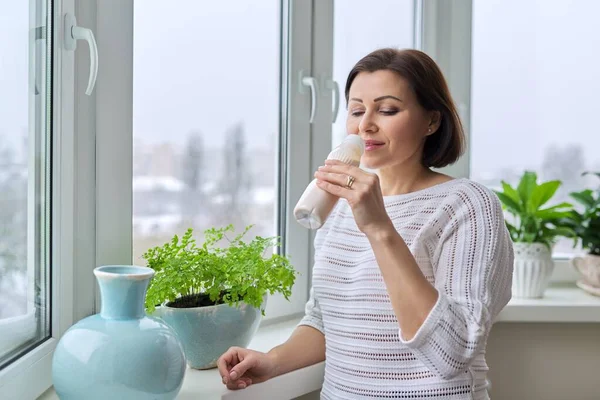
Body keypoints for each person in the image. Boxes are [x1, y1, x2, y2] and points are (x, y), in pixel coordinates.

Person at [217, 48, 514, 399]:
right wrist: (272, 360)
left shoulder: (467, 206)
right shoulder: (339, 206)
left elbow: (452, 353)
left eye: (387, 110)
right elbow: (326, 322)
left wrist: (379, 229)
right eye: (357, 110)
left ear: (431, 121)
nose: (364, 124)